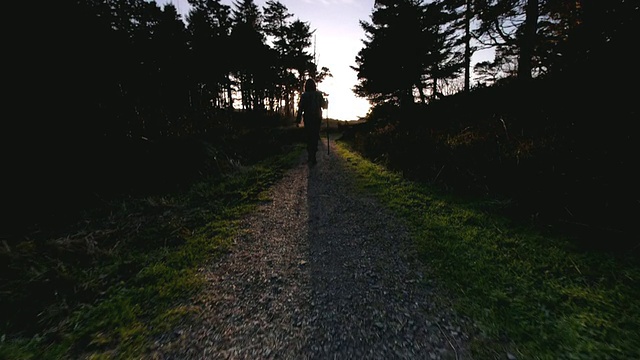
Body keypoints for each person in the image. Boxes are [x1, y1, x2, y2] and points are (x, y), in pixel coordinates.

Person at [296, 78, 327, 165]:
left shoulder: (304, 95)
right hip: (317, 118)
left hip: (308, 118)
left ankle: (311, 156)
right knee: (315, 135)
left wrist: (298, 119)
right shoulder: (318, 95)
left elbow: (301, 108)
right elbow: (324, 106)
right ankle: (313, 155)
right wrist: (326, 103)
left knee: (309, 136)